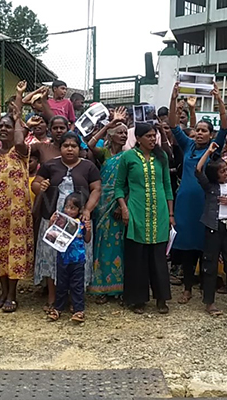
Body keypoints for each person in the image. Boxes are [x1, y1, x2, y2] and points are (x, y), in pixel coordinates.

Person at [168, 82, 227, 304]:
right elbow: (173, 125)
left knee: (206, 247)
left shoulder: (214, 148)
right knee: (187, 247)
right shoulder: (188, 145)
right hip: (185, 203)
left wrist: (219, 100)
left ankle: (206, 288)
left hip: (206, 203)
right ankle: (187, 289)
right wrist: (173, 98)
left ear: (210, 135)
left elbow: (225, 127)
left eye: (204, 131)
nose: (200, 134)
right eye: (198, 131)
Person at [31, 132, 101, 311]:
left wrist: (87, 210)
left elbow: (96, 189)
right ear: (60, 147)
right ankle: (53, 298)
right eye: (66, 146)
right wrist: (41, 187)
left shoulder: (88, 166)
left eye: (73, 146)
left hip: (78, 221)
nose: (70, 149)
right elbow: (35, 184)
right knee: (52, 256)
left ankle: (74, 299)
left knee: (76, 259)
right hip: (53, 219)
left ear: (79, 148)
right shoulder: (50, 165)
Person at [114, 123, 174, 314]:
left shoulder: (161, 157)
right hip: (136, 212)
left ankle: (161, 299)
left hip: (160, 213)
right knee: (137, 256)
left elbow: (167, 186)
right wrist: (124, 208)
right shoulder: (128, 157)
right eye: (148, 136)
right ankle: (137, 299)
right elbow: (119, 186)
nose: (152, 139)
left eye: (154, 135)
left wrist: (170, 214)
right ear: (138, 138)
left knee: (158, 257)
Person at [0, 106, 34, 313]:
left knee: (15, 251)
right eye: (0, 126)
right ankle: (3, 292)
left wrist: (18, 117)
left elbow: (20, 141)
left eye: (8, 126)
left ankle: (12, 294)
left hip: (17, 214)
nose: (3, 129)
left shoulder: (21, 152)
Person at [87, 113, 128, 303]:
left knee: (119, 244)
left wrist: (122, 204)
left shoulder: (128, 156)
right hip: (102, 203)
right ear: (111, 135)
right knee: (102, 242)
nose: (123, 135)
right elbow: (90, 145)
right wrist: (107, 125)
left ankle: (119, 287)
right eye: (119, 132)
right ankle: (101, 287)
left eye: (125, 133)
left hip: (120, 203)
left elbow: (130, 182)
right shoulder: (105, 154)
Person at [195, 142, 227, 315]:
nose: (226, 173)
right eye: (222, 171)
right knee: (210, 264)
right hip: (212, 227)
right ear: (215, 175)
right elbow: (198, 170)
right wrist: (208, 152)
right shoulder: (210, 187)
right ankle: (209, 302)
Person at [47, 192, 92, 322]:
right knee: (61, 285)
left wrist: (88, 230)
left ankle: (79, 310)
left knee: (77, 285)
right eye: (67, 207)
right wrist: (51, 222)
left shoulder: (81, 223)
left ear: (80, 210)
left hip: (78, 260)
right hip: (63, 259)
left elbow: (87, 240)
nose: (68, 210)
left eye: (73, 208)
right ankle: (58, 308)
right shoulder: (61, 221)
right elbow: (51, 235)